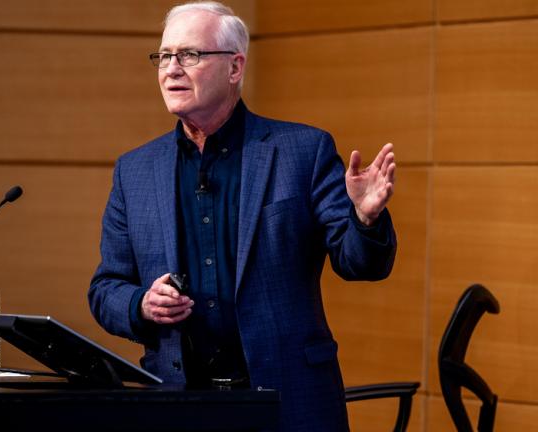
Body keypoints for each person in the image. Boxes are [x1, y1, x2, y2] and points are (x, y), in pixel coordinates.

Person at [88, 2, 396, 430]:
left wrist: (364, 220)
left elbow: (360, 264)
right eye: (164, 56)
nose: (171, 69)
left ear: (235, 67)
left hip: (288, 403)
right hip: (178, 406)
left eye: (190, 55)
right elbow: (105, 289)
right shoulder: (134, 171)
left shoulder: (302, 152)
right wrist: (141, 304)